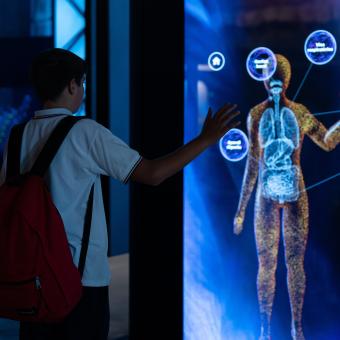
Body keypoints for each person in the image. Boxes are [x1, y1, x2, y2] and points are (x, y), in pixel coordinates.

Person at [0, 48, 240, 340]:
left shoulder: (17, 137)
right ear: (73, 85)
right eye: (83, 83)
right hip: (78, 282)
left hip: (31, 281)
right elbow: (152, 174)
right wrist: (206, 139)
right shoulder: (85, 131)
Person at [233, 54, 340, 340]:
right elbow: (253, 164)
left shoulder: (293, 113)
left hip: (291, 191)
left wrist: (241, 209)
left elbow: (328, 143)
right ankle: (267, 330)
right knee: (268, 263)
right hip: (270, 193)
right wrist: (241, 209)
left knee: (291, 262)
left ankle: (295, 328)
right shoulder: (257, 115)